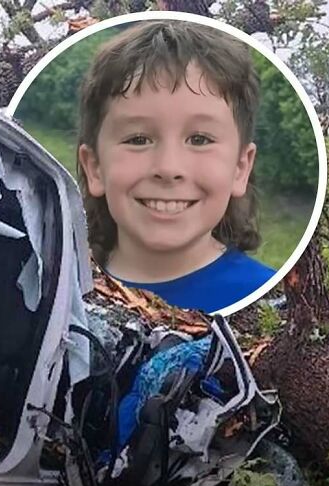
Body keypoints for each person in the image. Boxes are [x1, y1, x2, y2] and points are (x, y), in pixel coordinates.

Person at [77, 19, 276, 312]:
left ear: (240, 168)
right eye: (138, 139)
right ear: (95, 168)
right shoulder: (54, 288)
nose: (169, 168)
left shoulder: (271, 305)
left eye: (199, 139)